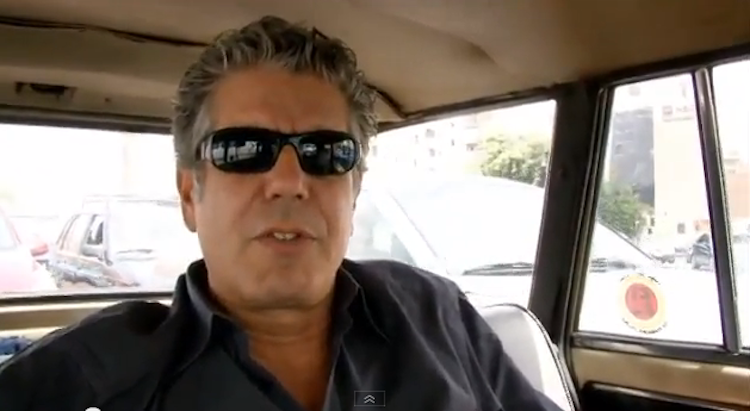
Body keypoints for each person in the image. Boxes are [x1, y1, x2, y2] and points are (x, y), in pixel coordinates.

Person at [0, 16, 564, 411]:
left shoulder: (437, 318)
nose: (291, 182)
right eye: (243, 150)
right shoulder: (92, 376)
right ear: (190, 195)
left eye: (326, 153)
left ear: (354, 190)